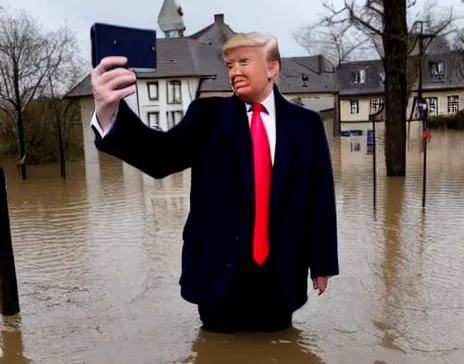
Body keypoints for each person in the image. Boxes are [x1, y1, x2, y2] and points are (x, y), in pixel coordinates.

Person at [90, 31, 339, 333]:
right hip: (217, 278)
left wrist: (322, 263)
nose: (234, 72)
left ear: (272, 67)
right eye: (229, 65)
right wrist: (109, 112)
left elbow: (320, 198)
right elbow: (159, 158)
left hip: (281, 278)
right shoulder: (206, 117)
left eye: (244, 62)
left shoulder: (307, 125)